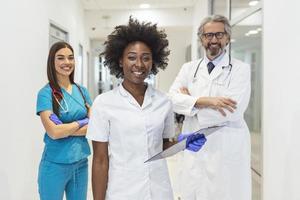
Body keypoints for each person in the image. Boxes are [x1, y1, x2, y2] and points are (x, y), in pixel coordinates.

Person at [86, 17, 207, 200]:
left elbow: (164, 144)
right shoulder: (104, 103)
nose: (139, 64)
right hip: (122, 191)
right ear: (120, 61)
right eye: (132, 57)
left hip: (158, 189)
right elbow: (100, 160)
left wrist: (183, 142)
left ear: (154, 61)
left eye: (146, 58)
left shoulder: (164, 101)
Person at [168, 15, 251, 200]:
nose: (213, 40)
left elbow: (233, 110)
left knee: (225, 193)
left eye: (219, 35)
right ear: (201, 39)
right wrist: (207, 101)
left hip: (226, 146)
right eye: (208, 35)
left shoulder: (240, 69)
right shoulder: (189, 68)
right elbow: (172, 99)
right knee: (194, 190)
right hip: (195, 145)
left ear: (228, 38)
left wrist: (190, 101)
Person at [36, 41, 92, 200]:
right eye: (60, 58)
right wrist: (82, 122)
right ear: (52, 62)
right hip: (55, 165)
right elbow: (54, 132)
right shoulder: (46, 94)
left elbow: (95, 126)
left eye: (70, 58)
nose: (66, 62)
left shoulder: (82, 92)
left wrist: (66, 128)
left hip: (81, 163)